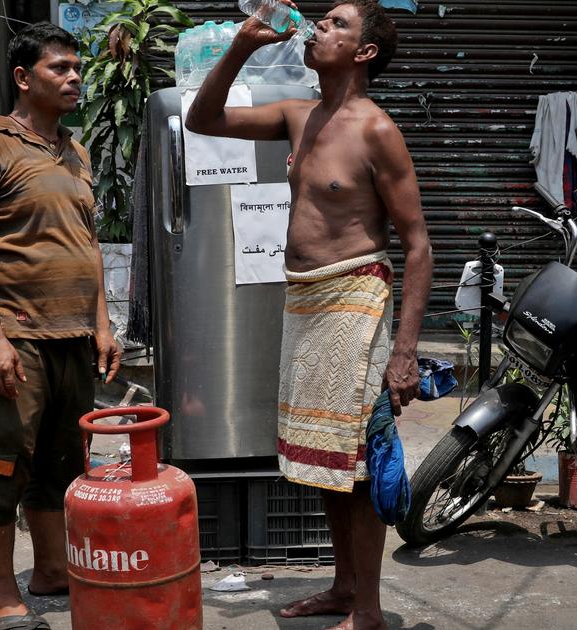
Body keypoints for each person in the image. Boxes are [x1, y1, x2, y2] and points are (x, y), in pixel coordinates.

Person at [185, 2, 431, 628]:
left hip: (356, 301)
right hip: (305, 300)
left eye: (337, 23)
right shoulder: (300, 115)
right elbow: (202, 117)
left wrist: (404, 352)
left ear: (365, 51)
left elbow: (419, 245)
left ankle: (369, 609)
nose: (319, 26)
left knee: (357, 457)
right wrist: (242, 43)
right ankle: (343, 588)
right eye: (320, 19)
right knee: (322, 457)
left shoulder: (376, 129)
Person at [0, 22, 121, 630]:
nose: (75, 77)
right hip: (18, 335)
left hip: (74, 337)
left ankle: (50, 570)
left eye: (77, 68)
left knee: (62, 465)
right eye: (60, 68)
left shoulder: (75, 150)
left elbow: (89, 244)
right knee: (2, 465)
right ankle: (0, 598)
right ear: (23, 78)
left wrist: (102, 323)